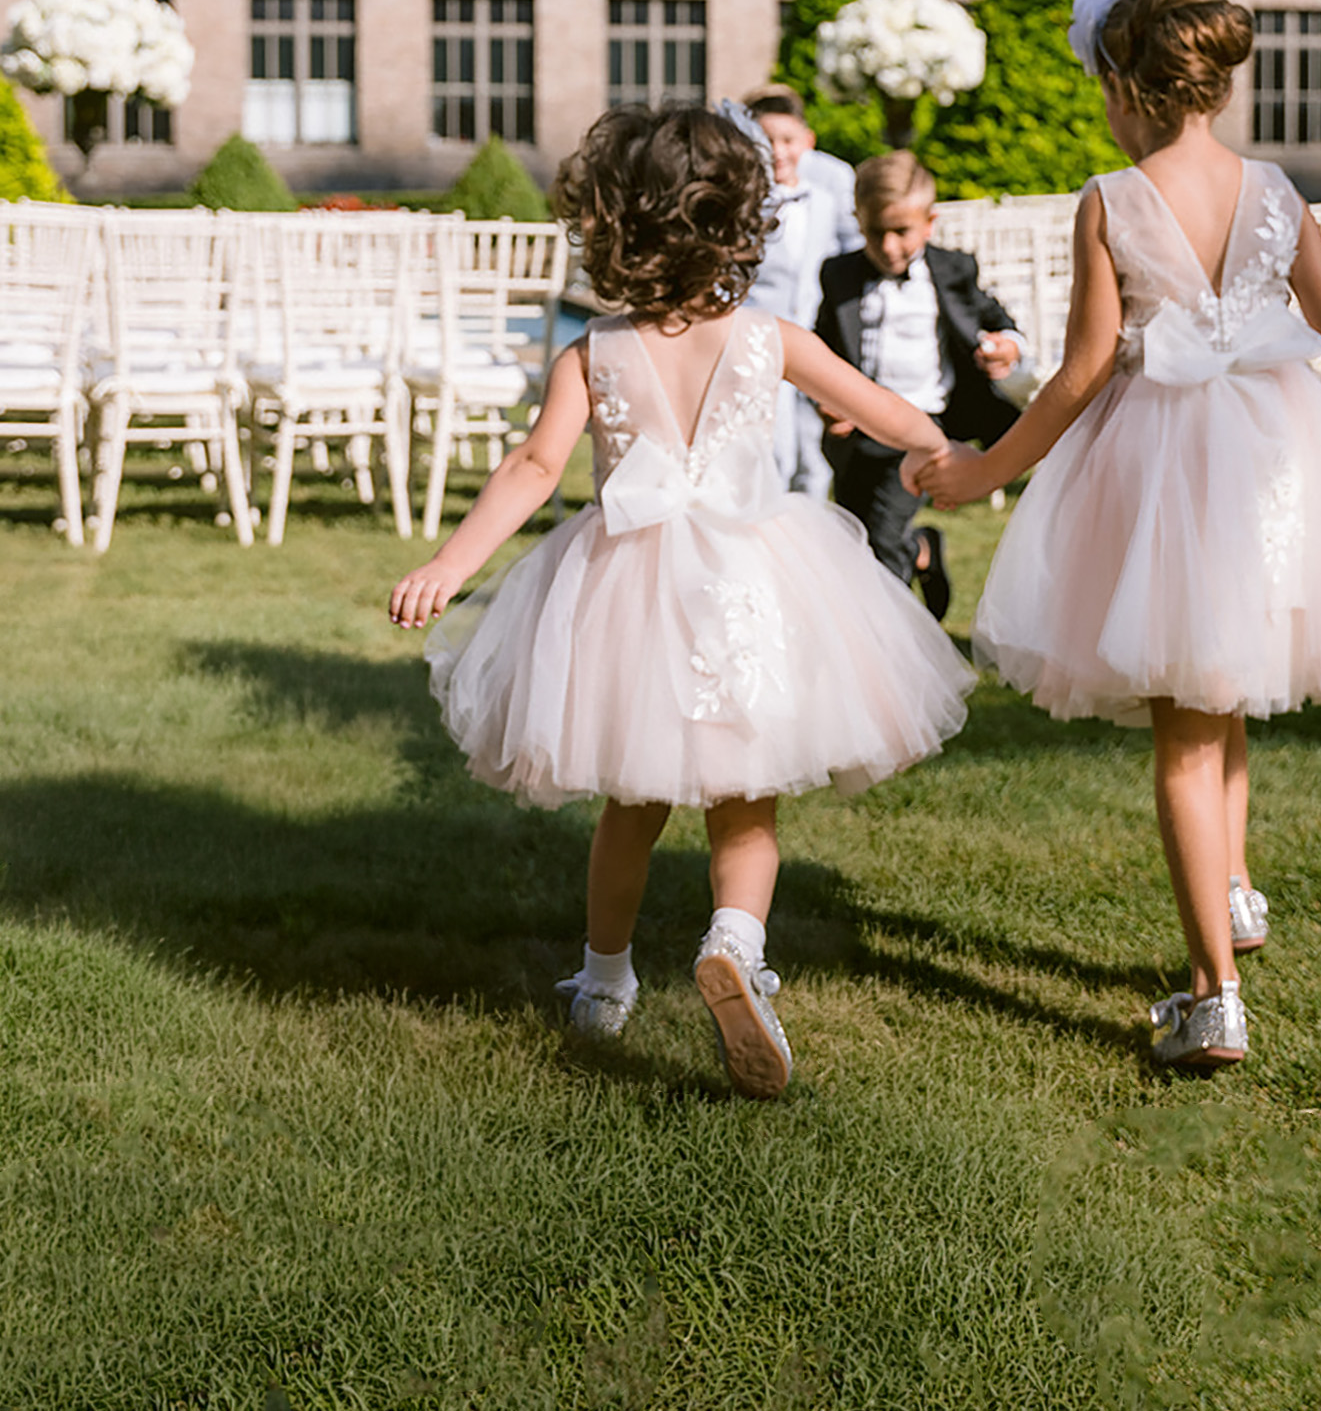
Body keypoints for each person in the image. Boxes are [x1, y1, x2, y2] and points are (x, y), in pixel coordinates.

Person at [907, 0, 1321, 1070]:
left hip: (1165, 467)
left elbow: (1076, 377)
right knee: (1231, 686)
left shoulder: (1111, 198)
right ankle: (1235, 890)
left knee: (1182, 733)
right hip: (1279, 462)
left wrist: (983, 472)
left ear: (1125, 87)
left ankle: (1214, 995)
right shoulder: (1272, 189)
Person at [389, 104, 973, 1101]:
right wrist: (940, 453)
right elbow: (888, 411)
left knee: (631, 801)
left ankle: (605, 980)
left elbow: (535, 467)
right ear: (743, 221)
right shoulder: (769, 337)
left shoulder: (595, 351)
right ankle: (735, 945)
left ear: (615, 225)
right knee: (749, 802)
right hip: (757, 581)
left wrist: (450, 564)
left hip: (630, 590)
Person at [814, 150, 1028, 621]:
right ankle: (924, 549)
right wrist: (827, 403)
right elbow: (822, 350)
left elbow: (997, 319)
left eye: (901, 232)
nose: (889, 246)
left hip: (921, 426)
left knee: (883, 542)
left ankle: (884, 641)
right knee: (856, 533)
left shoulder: (952, 270)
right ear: (858, 222)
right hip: (859, 429)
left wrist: (1006, 346)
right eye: (876, 233)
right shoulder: (838, 275)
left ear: (928, 223)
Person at [742, 84, 861, 500]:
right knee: (774, 449)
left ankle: (808, 536)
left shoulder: (825, 197)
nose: (777, 151)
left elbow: (850, 251)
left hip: (814, 337)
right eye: (764, 141)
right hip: (761, 340)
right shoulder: (743, 205)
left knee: (813, 453)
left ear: (806, 142)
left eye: (787, 141)